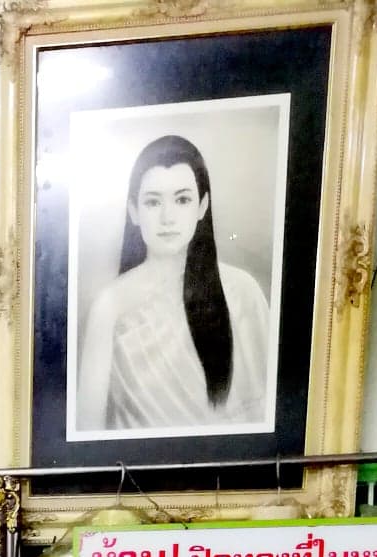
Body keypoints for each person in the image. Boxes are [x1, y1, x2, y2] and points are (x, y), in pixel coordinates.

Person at [76, 134, 270, 434]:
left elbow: (266, 412)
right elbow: (87, 430)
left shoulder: (243, 292)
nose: (168, 217)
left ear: (202, 206)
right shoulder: (110, 306)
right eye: (153, 202)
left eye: (182, 199)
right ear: (134, 212)